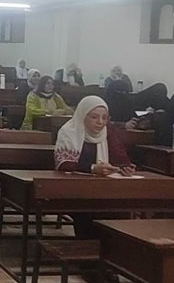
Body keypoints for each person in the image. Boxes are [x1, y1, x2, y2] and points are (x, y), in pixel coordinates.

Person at [54, 95, 134, 237]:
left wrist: (126, 168)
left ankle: (112, 246)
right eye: (94, 117)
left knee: (121, 207)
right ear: (83, 116)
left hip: (105, 188)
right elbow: (64, 164)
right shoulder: (69, 132)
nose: (100, 122)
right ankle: (87, 245)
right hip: (75, 189)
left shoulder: (109, 132)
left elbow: (120, 158)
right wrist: (92, 168)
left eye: (104, 118)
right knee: (89, 208)